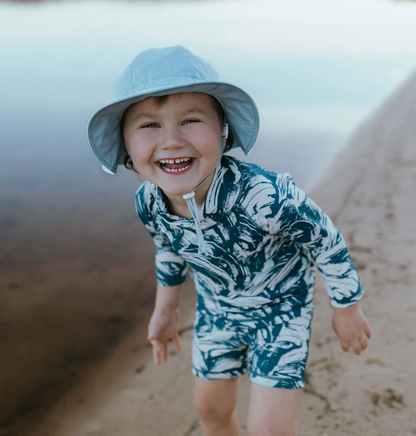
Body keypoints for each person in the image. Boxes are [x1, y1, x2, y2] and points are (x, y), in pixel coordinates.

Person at [87, 45, 372, 436]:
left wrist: (347, 306)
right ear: (126, 149)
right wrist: (167, 309)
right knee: (210, 409)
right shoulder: (148, 203)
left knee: (268, 428)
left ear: (222, 132)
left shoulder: (263, 197)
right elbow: (168, 247)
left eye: (190, 120)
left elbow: (324, 238)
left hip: (280, 309)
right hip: (217, 310)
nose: (171, 140)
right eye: (149, 125)